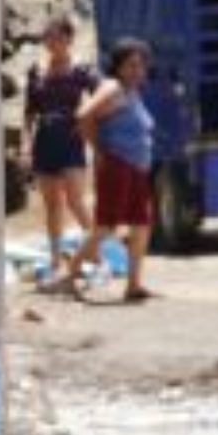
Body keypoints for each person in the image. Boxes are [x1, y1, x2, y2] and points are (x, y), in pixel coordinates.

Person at [75, 37, 159, 303]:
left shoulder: (132, 93)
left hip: (137, 168)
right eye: (131, 65)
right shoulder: (113, 88)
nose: (137, 71)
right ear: (118, 67)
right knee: (107, 226)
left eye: (141, 66)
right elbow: (83, 116)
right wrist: (98, 150)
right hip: (118, 166)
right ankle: (71, 272)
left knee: (142, 225)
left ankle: (133, 285)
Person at [21, 16, 99, 291]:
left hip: (71, 137)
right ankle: (55, 259)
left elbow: (99, 94)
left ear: (68, 39)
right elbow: (29, 111)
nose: (50, 42)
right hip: (45, 138)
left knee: (76, 200)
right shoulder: (36, 69)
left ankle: (96, 251)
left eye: (55, 37)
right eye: (47, 37)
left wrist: (86, 120)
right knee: (52, 205)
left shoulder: (80, 68)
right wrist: (26, 145)